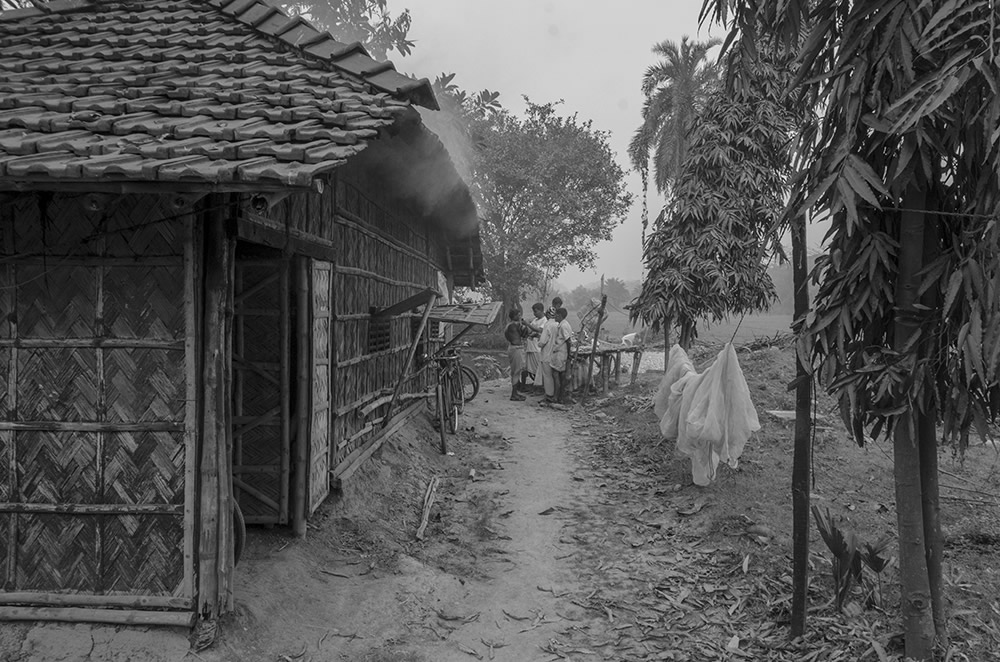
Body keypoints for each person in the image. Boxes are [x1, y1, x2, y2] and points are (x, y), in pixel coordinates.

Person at [549, 307, 576, 405]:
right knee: (561, 376)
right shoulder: (564, 324)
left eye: (555, 315)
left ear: (559, 316)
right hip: (561, 352)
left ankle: (556, 397)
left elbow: (568, 340)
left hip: (560, 353)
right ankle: (560, 397)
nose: (554, 316)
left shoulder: (563, 326)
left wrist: (569, 354)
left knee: (555, 374)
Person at [504, 309, 530, 401]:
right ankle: (514, 394)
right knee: (516, 372)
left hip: (512, 347)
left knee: (515, 371)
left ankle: (515, 392)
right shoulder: (514, 325)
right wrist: (525, 325)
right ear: (514, 316)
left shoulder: (509, 325)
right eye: (518, 315)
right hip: (516, 348)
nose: (520, 317)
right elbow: (525, 333)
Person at [537, 307, 560, 402]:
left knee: (547, 376)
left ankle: (549, 395)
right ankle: (556, 395)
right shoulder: (558, 324)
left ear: (547, 314)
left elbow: (543, 341)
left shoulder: (548, 325)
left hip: (547, 353)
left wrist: (539, 342)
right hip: (556, 354)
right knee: (556, 376)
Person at [523, 302, 546, 392]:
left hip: (537, 348)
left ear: (541, 311)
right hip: (531, 347)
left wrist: (528, 325)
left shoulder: (544, 320)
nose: (534, 313)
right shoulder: (535, 320)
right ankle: (535, 384)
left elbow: (539, 330)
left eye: (536, 311)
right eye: (533, 312)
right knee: (529, 368)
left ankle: (540, 386)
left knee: (538, 368)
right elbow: (531, 330)